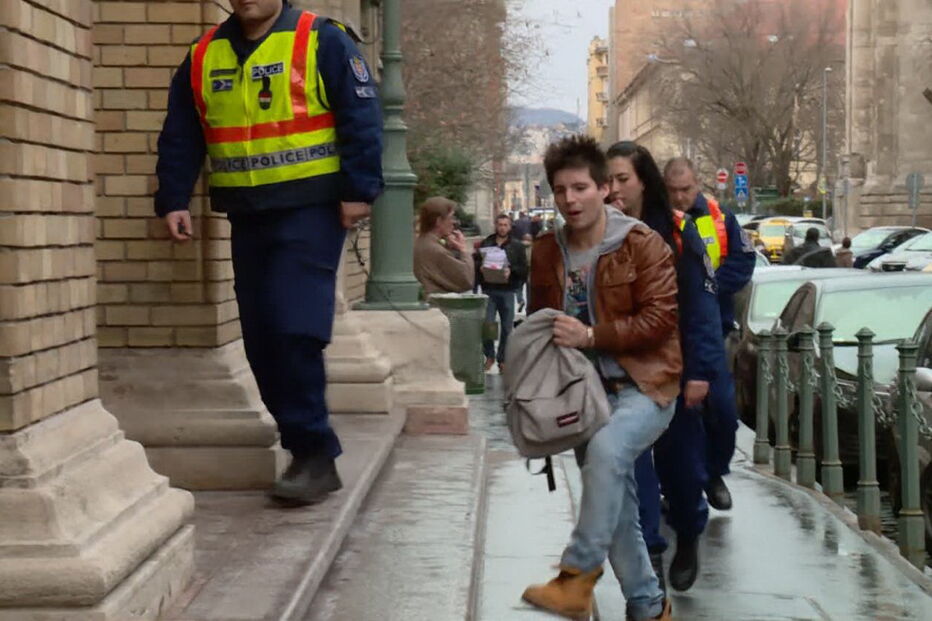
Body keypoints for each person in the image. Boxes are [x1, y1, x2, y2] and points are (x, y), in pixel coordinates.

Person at [154, 0, 382, 506]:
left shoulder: (321, 39)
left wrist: (359, 189)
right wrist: (173, 197)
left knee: (294, 326)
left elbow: (361, 116)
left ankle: (313, 453)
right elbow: (181, 133)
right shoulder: (203, 55)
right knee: (259, 337)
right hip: (247, 212)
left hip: (311, 210)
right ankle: (304, 445)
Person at [521, 135, 679, 621]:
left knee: (609, 455)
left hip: (646, 386)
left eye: (581, 188)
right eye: (560, 190)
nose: (570, 200)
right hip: (584, 397)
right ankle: (649, 606)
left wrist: (591, 334)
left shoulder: (640, 243)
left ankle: (575, 578)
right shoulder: (547, 251)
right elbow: (542, 319)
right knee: (619, 511)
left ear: (604, 188)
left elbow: (661, 320)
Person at [607, 142, 726, 593]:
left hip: (675, 373)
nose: (615, 189)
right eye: (609, 180)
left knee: (681, 470)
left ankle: (690, 531)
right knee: (633, 471)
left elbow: (700, 309)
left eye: (623, 179)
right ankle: (651, 555)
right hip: (624, 378)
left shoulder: (677, 233)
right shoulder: (600, 233)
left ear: (643, 181)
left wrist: (700, 374)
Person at [664, 158, 755, 512]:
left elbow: (743, 263)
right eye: (673, 191)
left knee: (721, 412)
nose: (680, 197)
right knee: (675, 416)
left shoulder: (720, 219)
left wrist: (705, 287)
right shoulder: (657, 221)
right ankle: (681, 484)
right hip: (668, 331)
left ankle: (715, 472)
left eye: (686, 189)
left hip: (712, 328)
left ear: (697, 184)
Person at [477, 214, 528, 373]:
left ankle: (503, 359)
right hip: (489, 289)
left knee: (507, 327)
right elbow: (477, 262)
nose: (502, 227)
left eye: (505, 225)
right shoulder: (487, 243)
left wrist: (511, 271)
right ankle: (489, 355)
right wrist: (480, 268)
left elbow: (524, 269)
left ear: (510, 226)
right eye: (500, 224)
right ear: (495, 225)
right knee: (488, 324)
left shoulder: (517, 246)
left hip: (507, 290)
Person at [413, 197, 475, 295]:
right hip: (437, 306)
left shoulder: (421, 242)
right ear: (438, 221)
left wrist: (450, 247)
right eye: (451, 217)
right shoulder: (436, 250)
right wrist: (463, 250)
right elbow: (466, 279)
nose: (453, 222)